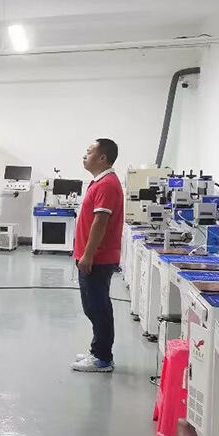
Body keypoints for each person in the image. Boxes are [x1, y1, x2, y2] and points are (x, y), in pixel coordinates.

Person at [72, 138, 124, 373]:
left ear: (103, 158)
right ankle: (97, 351)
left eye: (89, 152)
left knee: (98, 307)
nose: (84, 155)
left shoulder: (106, 185)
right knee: (93, 306)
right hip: (93, 256)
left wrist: (88, 255)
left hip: (98, 258)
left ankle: (102, 357)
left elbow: (100, 222)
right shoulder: (100, 182)